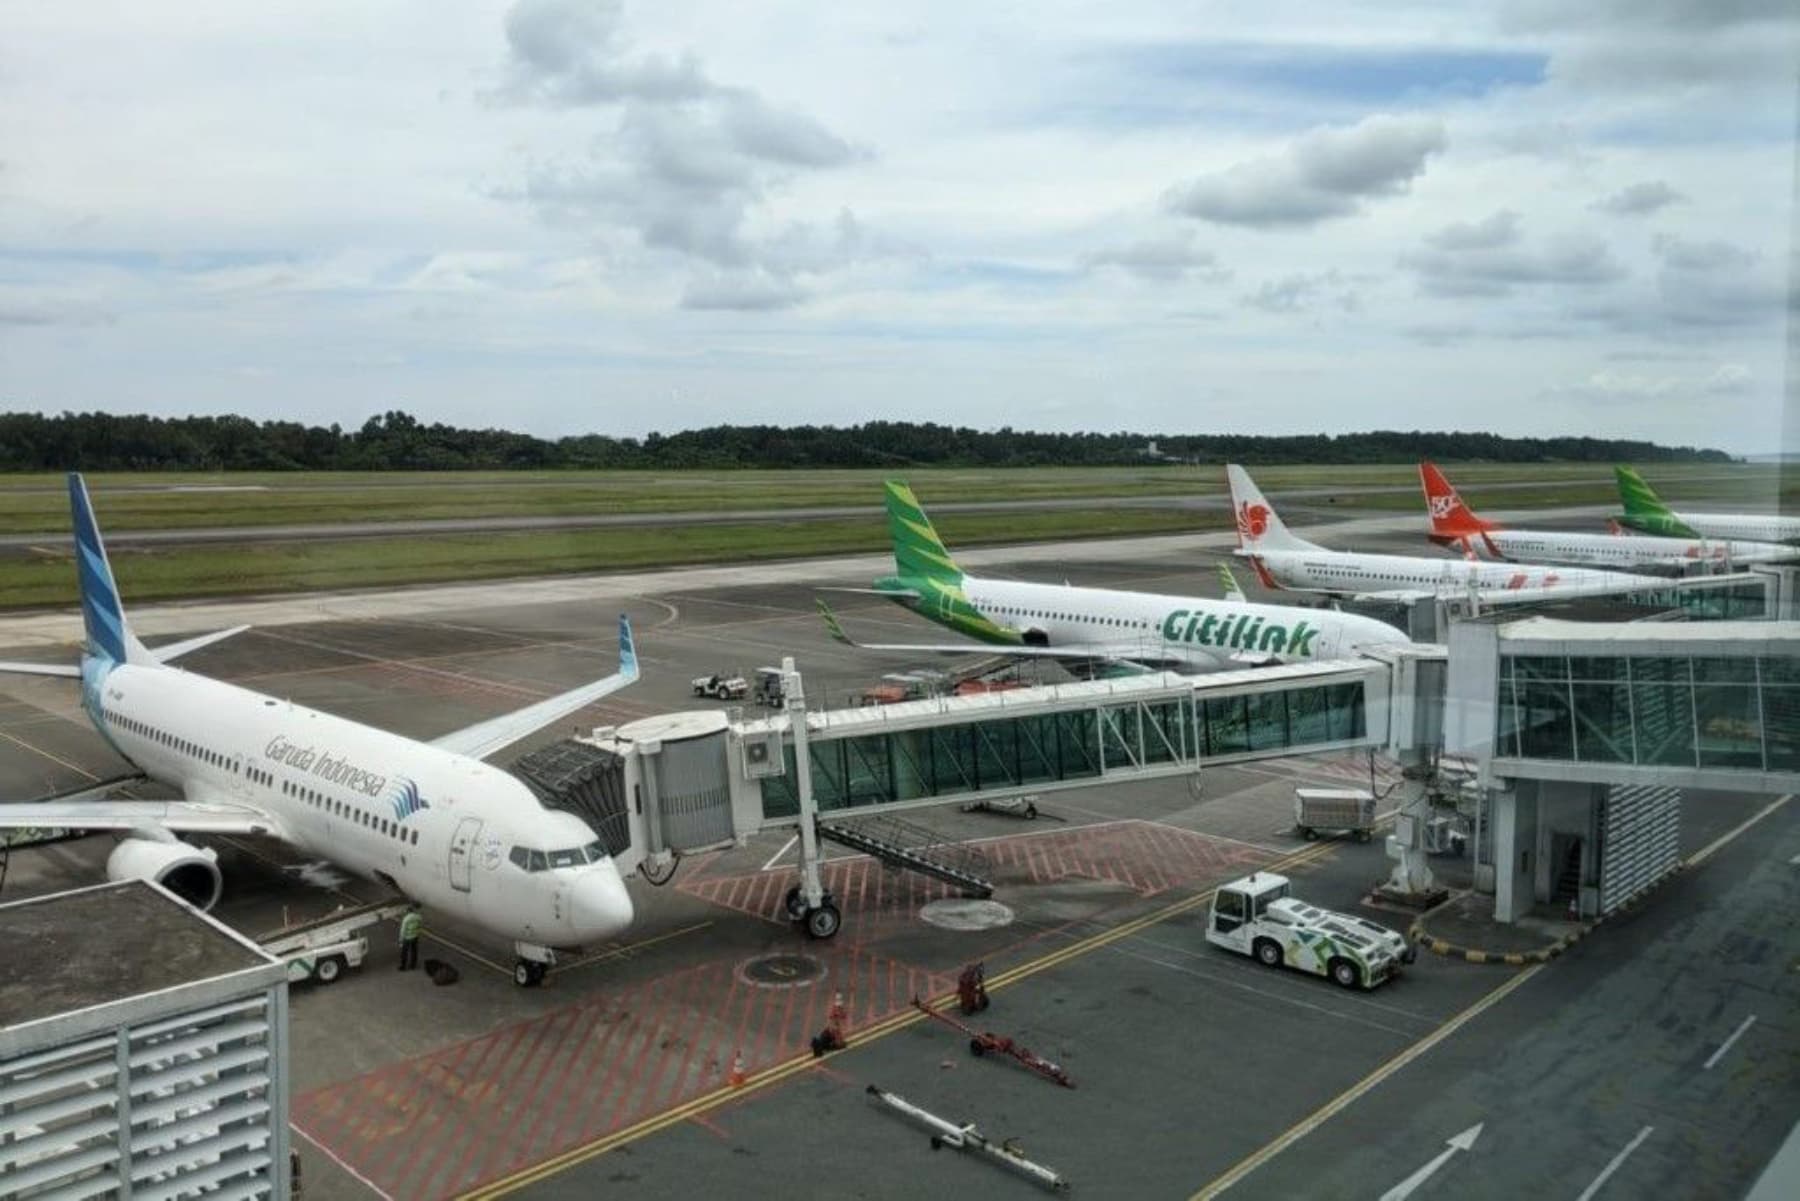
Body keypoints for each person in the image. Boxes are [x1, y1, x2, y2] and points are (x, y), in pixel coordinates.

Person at [398, 904, 422, 971]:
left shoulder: (406, 919)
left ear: (408, 911)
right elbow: (420, 926)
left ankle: (403, 966)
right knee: (414, 951)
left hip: (407, 938)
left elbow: (403, 930)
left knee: (404, 952)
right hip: (415, 936)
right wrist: (417, 934)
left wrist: (400, 940)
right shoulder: (418, 917)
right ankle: (413, 965)